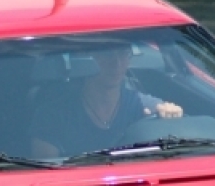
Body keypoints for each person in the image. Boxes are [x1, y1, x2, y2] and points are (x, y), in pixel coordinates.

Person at [30, 47, 182, 159]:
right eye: (107, 53)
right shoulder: (53, 115)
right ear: (87, 59)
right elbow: (46, 172)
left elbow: (171, 122)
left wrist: (172, 115)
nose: (116, 63)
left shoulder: (142, 106)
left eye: (123, 53)